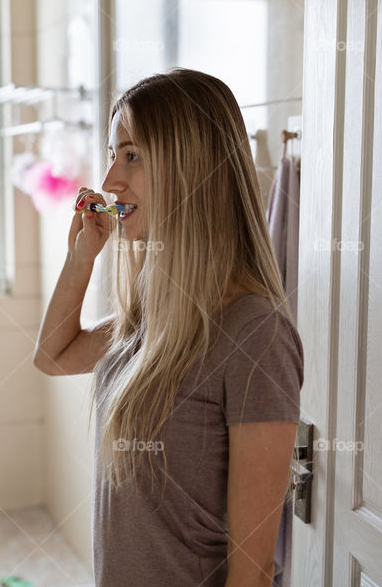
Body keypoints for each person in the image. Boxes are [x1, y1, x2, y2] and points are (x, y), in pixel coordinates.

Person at [33, 68, 304, 587]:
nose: (111, 180)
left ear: (192, 168)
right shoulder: (159, 314)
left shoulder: (254, 334)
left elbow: (251, 574)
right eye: (114, 155)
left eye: (132, 155)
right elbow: (53, 356)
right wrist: (81, 258)